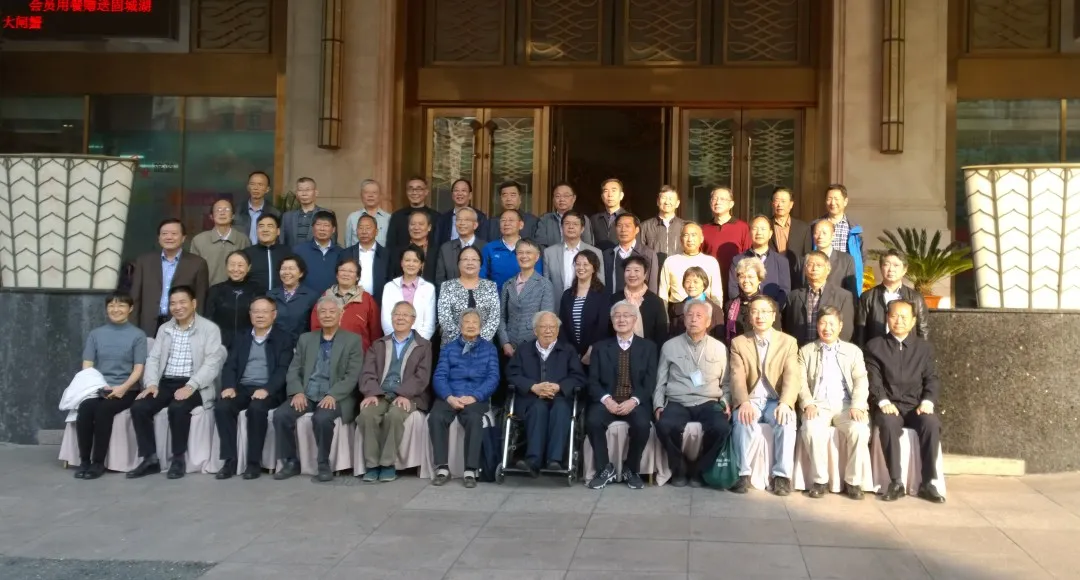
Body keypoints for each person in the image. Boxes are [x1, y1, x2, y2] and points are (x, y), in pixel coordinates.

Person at [127, 286, 226, 479]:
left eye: (182, 302)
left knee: (178, 408)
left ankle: (178, 459)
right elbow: (154, 359)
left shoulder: (209, 329)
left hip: (196, 384)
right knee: (139, 407)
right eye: (173, 303)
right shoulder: (165, 329)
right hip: (166, 382)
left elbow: (212, 363)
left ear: (194, 304)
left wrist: (191, 385)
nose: (177, 307)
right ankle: (150, 459)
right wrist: (151, 383)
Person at [273, 297, 364, 483]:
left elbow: (352, 376)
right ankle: (290, 462)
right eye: (323, 311)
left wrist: (333, 395)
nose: (327, 315)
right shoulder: (306, 339)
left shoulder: (353, 340)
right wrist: (297, 392)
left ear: (341, 314)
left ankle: (323, 464)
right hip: (307, 393)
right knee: (281, 415)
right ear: (317, 315)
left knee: (322, 418)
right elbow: (294, 369)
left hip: (336, 395)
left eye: (332, 311)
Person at [865, 299, 945, 503]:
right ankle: (896, 482)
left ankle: (928, 483)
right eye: (894, 316)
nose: (898, 321)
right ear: (887, 318)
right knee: (888, 423)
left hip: (915, 405)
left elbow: (932, 378)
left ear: (913, 321)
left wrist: (928, 401)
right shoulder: (875, 347)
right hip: (889, 405)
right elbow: (874, 380)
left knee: (931, 423)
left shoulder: (924, 348)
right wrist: (883, 401)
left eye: (904, 317)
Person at [653, 301, 732, 487]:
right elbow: (660, 381)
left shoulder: (719, 348)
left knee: (722, 428)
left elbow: (727, 383)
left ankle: (700, 469)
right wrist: (658, 405)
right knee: (664, 425)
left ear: (708, 321)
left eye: (699, 316)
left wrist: (726, 401)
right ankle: (679, 468)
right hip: (678, 401)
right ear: (684, 319)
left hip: (708, 401)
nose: (693, 319)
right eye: (689, 315)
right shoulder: (670, 346)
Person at [729, 295, 802, 495]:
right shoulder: (739, 343)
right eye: (754, 312)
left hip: (775, 400)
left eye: (764, 312)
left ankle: (782, 476)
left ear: (773, 316)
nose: (759, 316)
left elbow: (792, 375)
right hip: (751, 399)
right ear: (749, 317)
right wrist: (743, 402)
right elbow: (736, 376)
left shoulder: (788, 342)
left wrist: (786, 403)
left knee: (786, 420)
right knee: (742, 419)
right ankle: (742, 474)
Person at [214, 296, 294, 480]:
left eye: (264, 312)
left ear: (274, 315)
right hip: (242, 387)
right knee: (222, 406)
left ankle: (253, 462)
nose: (260, 315)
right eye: (256, 311)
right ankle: (229, 461)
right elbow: (230, 366)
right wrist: (229, 386)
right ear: (250, 314)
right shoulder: (241, 337)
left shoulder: (284, 338)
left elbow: (283, 370)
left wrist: (267, 389)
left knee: (256, 409)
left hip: (269, 390)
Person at [797, 306, 871, 500]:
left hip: (846, 405)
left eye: (831, 324)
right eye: (823, 323)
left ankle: (853, 481)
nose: (827, 328)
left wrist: (857, 405)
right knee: (810, 428)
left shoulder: (853, 351)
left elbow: (861, 380)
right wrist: (808, 403)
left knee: (859, 430)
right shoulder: (806, 351)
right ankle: (820, 480)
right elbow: (800, 382)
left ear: (840, 326)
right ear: (817, 326)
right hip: (818, 405)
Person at [73, 292, 147, 480]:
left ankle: (98, 463)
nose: (116, 309)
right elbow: (87, 365)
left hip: (127, 390)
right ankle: (84, 461)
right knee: (85, 408)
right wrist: (96, 387)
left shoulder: (138, 335)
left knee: (104, 410)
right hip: (99, 388)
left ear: (130, 309)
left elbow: (138, 369)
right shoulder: (96, 334)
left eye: (121, 305)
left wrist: (122, 388)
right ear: (106, 309)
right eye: (112, 305)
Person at [585, 301, 658, 490]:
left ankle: (631, 469)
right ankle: (604, 469)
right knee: (593, 421)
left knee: (642, 425)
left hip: (634, 401)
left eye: (626, 315)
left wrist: (634, 401)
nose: (621, 319)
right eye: (617, 315)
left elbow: (649, 382)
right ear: (611, 320)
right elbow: (592, 381)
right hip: (607, 400)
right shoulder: (600, 347)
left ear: (634, 320)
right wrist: (606, 400)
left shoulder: (648, 347)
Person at [358, 301, 433, 483]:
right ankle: (372, 465)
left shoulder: (423, 346)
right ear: (391, 318)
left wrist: (405, 394)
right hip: (381, 393)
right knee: (367, 414)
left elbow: (422, 376)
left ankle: (387, 464)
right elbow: (368, 372)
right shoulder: (379, 344)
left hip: (409, 395)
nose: (400, 318)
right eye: (397, 314)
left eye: (405, 315)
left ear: (413, 320)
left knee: (395, 415)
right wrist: (371, 393)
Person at [506, 311, 586, 475]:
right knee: (538, 408)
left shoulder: (568, 350)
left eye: (552, 327)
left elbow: (578, 377)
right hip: (530, 399)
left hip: (560, 397)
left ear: (558, 330)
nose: (548, 330)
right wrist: (532, 387)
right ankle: (533, 461)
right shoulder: (523, 350)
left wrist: (559, 387)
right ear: (535, 330)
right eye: (543, 327)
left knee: (561, 409)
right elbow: (512, 375)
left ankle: (554, 460)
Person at [429, 309, 500, 488]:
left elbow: (493, 378)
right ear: (460, 327)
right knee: (436, 416)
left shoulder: (489, 349)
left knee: (474, 419)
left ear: (481, 327)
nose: (470, 325)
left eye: (475, 322)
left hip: (475, 398)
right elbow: (439, 376)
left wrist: (475, 396)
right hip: (451, 395)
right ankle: (442, 468)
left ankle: (470, 470)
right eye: (467, 322)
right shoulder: (448, 348)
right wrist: (449, 397)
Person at [130, 218, 210, 337]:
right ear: (159, 238)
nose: (169, 237)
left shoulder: (197, 263)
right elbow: (135, 298)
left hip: (182, 325)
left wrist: (195, 329)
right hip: (147, 325)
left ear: (183, 238)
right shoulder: (144, 261)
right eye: (164, 234)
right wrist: (133, 328)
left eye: (174, 233)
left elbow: (200, 300)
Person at [857, 249, 930, 345]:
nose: (891, 269)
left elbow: (923, 330)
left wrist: (922, 352)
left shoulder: (916, 298)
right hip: (877, 350)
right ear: (881, 268)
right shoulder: (867, 297)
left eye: (896, 265)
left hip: (908, 350)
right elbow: (860, 330)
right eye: (886, 265)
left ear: (905, 270)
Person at [497, 239, 555, 360]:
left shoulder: (545, 284)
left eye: (528, 252)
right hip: (510, 347)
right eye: (520, 252)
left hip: (534, 349)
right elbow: (501, 317)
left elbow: (546, 320)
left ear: (537, 256)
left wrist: (537, 346)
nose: (524, 256)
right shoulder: (508, 284)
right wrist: (505, 343)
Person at [783, 251, 855, 346]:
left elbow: (846, 330)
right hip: (800, 349)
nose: (814, 268)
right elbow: (788, 327)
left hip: (830, 350)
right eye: (810, 265)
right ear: (805, 269)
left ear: (828, 269)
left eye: (819, 265)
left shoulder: (843, 296)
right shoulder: (793, 296)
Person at [311, 257, 382, 352]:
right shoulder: (325, 297)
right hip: (329, 354)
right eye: (342, 270)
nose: (346, 274)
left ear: (357, 277)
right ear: (337, 274)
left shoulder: (367, 300)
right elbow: (315, 328)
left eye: (351, 271)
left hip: (358, 355)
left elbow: (375, 332)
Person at [542, 209, 603, 312]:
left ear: (582, 229)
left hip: (587, 307)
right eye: (567, 223)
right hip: (557, 307)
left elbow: (600, 283)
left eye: (575, 224)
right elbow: (546, 285)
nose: (571, 227)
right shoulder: (549, 253)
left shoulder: (595, 252)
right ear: (561, 227)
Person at [438, 246, 500, 344]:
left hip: (483, 345)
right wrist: (461, 341)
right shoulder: (447, 286)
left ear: (480, 265)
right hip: (452, 345)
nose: (470, 262)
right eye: (465, 259)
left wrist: (478, 340)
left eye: (474, 259)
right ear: (458, 264)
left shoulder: (490, 286)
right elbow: (445, 318)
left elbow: (494, 318)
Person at [558, 251, 610, 366]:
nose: (581, 267)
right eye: (578, 264)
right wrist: (569, 351)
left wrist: (591, 350)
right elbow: (562, 324)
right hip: (570, 354)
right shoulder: (567, 294)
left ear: (594, 268)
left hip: (594, 353)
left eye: (585, 264)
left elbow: (602, 325)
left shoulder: (602, 293)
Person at [728, 216, 792, 307]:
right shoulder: (738, 260)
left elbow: (784, 291)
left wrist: (772, 310)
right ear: (749, 233)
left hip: (772, 311)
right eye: (755, 229)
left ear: (770, 234)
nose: (759, 232)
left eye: (763, 229)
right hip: (744, 310)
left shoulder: (781, 261)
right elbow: (733, 289)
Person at [204, 250, 260, 350]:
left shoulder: (257, 290)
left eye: (240, 265)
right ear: (226, 267)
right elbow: (208, 319)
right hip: (220, 345)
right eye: (232, 265)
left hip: (249, 344)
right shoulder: (215, 290)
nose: (236, 269)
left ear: (248, 267)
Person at [658, 222, 723, 307]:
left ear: (701, 239)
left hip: (704, 308)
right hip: (677, 309)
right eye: (686, 235)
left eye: (693, 235)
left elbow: (716, 294)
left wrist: (717, 312)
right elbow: (663, 293)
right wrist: (663, 313)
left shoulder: (711, 262)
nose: (690, 239)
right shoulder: (670, 261)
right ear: (681, 239)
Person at [189, 198, 251, 286]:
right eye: (218, 210)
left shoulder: (243, 240)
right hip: (208, 291)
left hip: (236, 291)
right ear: (211, 216)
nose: (222, 213)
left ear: (233, 215)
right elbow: (193, 272)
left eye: (227, 209)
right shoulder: (199, 240)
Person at [817, 184, 865, 297]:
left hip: (845, 275)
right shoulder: (816, 226)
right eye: (829, 199)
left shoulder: (854, 229)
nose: (832, 203)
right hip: (820, 274)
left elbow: (862, 257)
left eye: (836, 199)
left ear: (845, 201)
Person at [381, 245, 437, 340]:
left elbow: (429, 324)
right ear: (401, 263)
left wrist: (418, 343)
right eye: (407, 260)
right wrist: (397, 341)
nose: (411, 264)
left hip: (420, 343)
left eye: (415, 261)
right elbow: (386, 320)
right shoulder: (389, 287)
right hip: (393, 341)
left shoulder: (428, 288)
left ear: (421, 265)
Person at [700, 187, 751, 292]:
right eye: (714, 199)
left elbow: (748, 257)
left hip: (735, 283)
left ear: (731, 204)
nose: (717, 202)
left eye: (722, 199)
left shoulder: (743, 227)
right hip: (710, 284)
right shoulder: (704, 229)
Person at [610, 256, 667, 345]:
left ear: (645, 274)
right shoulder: (614, 299)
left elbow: (661, 334)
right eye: (628, 270)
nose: (632, 274)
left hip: (647, 351)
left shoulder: (656, 302)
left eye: (636, 270)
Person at [482, 209, 544, 290]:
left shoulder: (531, 248)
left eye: (511, 220)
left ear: (521, 225)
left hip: (525, 296)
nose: (506, 223)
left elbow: (537, 278)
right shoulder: (489, 248)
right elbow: (482, 277)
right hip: (495, 296)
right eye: (503, 220)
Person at [724, 258, 781, 344]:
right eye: (742, 276)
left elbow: (776, 336)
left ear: (759, 279)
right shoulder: (730, 305)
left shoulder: (770, 305)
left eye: (750, 277)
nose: (746, 281)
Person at [602, 213, 660, 294]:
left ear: (637, 230)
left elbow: (652, 284)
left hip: (638, 301)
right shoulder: (608, 254)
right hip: (613, 301)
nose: (623, 230)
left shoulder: (648, 254)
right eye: (619, 226)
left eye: (627, 226)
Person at [267, 255, 320, 344]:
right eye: (283, 269)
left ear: (301, 273)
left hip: (301, 345)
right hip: (274, 345)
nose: (286, 272)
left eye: (291, 268)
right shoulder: (270, 295)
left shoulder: (311, 296)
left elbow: (314, 325)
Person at [290, 210, 343, 295]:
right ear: (312, 228)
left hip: (332, 300)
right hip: (305, 299)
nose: (322, 229)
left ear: (333, 229)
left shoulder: (341, 252)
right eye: (318, 224)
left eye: (326, 225)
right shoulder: (298, 251)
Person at [341, 213, 390, 303]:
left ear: (376, 231)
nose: (364, 231)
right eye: (361, 228)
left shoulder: (387, 255)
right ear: (356, 231)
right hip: (352, 301)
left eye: (368, 228)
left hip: (380, 301)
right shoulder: (346, 254)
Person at [770, 187, 812, 290]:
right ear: (772, 203)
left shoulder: (803, 228)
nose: (780, 205)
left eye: (783, 201)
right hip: (771, 276)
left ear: (791, 204)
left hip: (795, 279)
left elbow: (806, 255)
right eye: (777, 200)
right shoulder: (765, 226)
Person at [667, 267, 725, 340]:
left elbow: (719, 339)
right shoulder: (676, 308)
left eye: (696, 282)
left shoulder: (715, 310)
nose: (691, 285)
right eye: (688, 281)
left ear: (704, 284)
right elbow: (672, 336)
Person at [435, 206, 487, 288]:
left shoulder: (486, 247)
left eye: (466, 220)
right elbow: (439, 279)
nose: (462, 223)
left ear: (475, 225)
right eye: (458, 219)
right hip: (450, 294)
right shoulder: (446, 248)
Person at [242, 213, 293, 294]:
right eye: (261, 226)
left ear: (278, 231)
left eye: (270, 226)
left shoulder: (288, 252)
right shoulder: (246, 254)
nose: (265, 230)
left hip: (282, 299)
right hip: (254, 300)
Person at [281, 177, 337, 248]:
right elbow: (282, 242)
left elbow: (332, 242)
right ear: (297, 194)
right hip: (292, 254)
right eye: (300, 190)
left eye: (308, 190)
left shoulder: (327, 213)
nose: (304, 193)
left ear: (316, 193)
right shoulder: (287, 217)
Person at [535, 182, 595, 248]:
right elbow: (540, 245)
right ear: (553, 199)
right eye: (558, 196)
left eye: (566, 196)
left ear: (574, 198)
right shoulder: (545, 219)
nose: (562, 199)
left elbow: (588, 244)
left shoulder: (583, 218)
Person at [387, 177, 439, 250]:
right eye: (411, 189)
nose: (414, 192)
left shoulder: (436, 217)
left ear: (426, 192)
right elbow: (390, 245)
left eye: (419, 189)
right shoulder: (397, 216)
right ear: (406, 192)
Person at [640, 185, 686, 267]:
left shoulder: (684, 226)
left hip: (679, 270)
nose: (667, 202)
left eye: (671, 199)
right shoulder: (644, 226)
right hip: (653, 271)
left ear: (677, 203)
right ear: (658, 202)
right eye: (664, 198)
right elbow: (639, 252)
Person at [811, 219, 858, 298]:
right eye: (817, 233)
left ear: (833, 236)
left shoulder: (846, 260)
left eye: (824, 233)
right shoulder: (805, 260)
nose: (820, 236)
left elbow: (852, 292)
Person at [435, 178, 488, 246]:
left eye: (463, 190)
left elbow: (483, 242)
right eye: (456, 190)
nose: (459, 193)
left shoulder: (480, 217)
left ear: (470, 195)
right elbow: (437, 244)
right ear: (452, 195)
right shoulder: (443, 218)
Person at [233, 170, 281, 245]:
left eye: (260, 184)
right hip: (241, 250)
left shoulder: (275, 213)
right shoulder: (236, 210)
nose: (256, 188)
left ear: (267, 189)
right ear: (248, 187)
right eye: (252, 184)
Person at [390, 209, 438, 283]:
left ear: (429, 227)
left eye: (421, 224)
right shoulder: (396, 252)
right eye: (412, 224)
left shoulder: (438, 252)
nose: (416, 227)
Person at [345, 178, 391, 247]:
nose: (370, 195)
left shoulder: (388, 219)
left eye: (374, 193)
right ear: (361, 195)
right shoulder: (353, 218)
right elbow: (348, 245)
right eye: (366, 192)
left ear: (380, 196)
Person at [590, 178, 630, 251]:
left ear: (621, 195)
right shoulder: (594, 219)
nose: (610, 195)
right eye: (606, 191)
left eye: (613, 191)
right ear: (602, 197)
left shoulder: (630, 219)